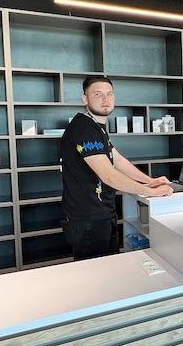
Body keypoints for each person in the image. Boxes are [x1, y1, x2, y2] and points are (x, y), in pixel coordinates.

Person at [61, 76, 172, 260]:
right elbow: (109, 175)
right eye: (98, 94)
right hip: (88, 218)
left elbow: (117, 160)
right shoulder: (84, 129)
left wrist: (150, 181)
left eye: (110, 94)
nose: (105, 99)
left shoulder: (96, 127)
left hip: (101, 213)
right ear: (85, 99)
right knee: (98, 272)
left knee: (109, 267)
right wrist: (150, 191)